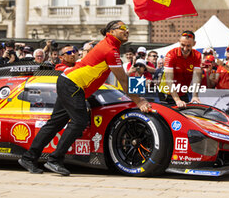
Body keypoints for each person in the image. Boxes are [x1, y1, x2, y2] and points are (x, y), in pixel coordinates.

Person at [18, 20, 151, 176]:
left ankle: (28, 158)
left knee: (55, 123)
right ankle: (54, 159)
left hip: (68, 82)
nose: (126, 31)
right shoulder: (110, 50)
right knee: (79, 121)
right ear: (112, 32)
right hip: (73, 84)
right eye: (122, 28)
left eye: (127, 28)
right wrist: (139, 101)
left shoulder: (109, 46)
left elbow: (122, 78)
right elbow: (123, 81)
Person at [160, 30, 202, 107]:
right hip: (167, 93)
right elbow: (169, 79)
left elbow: (196, 77)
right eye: (183, 45)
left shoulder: (197, 55)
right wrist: (177, 100)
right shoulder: (171, 54)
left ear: (194, 44)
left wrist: (195, 95)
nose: (185, 49)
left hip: (182, 92)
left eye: (188, 46)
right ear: (179, 42)